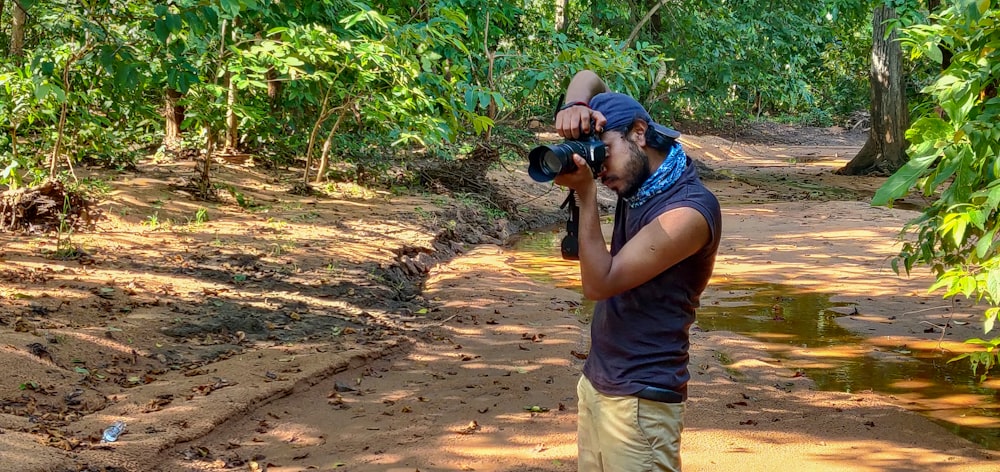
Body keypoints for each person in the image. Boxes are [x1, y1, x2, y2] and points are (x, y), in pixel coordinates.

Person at [551, 70, 722, 471]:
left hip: (641, 400)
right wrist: (576, 106)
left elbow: (599, 283)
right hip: (599, 384)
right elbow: (589, 78)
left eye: (603, 153)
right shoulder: (639, 175)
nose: (600, 169)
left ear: (640, 133)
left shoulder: (689, 212)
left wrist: (585, 194)